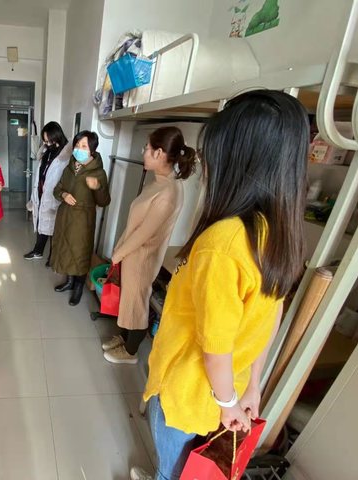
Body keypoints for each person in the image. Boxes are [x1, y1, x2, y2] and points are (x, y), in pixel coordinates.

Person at [130, 90, 309, 480]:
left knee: (172, 471)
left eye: (212, 155)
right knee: (194, 467)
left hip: (189, 389)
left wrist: (228, 403)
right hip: (230, 388)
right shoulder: (276, 235)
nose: (206, 166)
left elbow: (215, 347)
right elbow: (269, 316)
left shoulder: (222, 243)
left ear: (235, 162)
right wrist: (250, 388)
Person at [102, 127, 196, 365]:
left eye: (147, 148)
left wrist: (118, 254)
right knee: (128, 299)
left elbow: (144, 234)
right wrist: (120, 251)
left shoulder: (169, 191)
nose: (143, 151)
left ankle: (130, 352)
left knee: (137, 303)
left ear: (159, 153)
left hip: (143, 257)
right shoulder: (159, 182)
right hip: (132, 254)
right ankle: (124, 339)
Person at [51, 130, 110, 306]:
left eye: (84, 146)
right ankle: (69, 282)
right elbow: (57, 189)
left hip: (83, 221)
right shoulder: (70, 167)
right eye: (77, 145)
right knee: (66, 249)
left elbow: (104, 201)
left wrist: (97, 187)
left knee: (80, 253)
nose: (79, 149)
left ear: (92, 150)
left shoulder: (98, 173)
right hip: (65, 217)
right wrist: (64, 195)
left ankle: (78, 288)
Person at [24, 121, 72, 264]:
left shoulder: (66, 156)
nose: (47, 144)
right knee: (41, 224)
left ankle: (53, 256)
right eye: (45, 141)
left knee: (54, 229)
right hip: (41, 193)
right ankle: (38, 251)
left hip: (55, 197)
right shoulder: (47, 152)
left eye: (49, 140)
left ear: (57, 136)